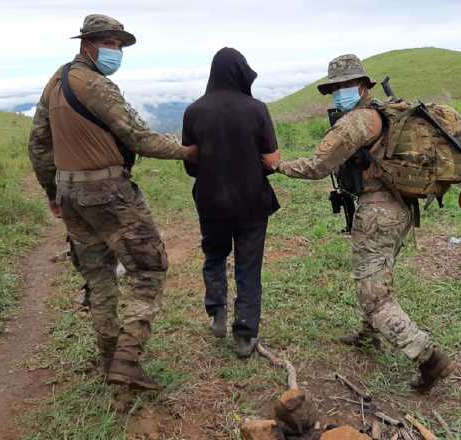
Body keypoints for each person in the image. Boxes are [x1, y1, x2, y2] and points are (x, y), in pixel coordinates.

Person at [28, 14, 198, 391]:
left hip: (71, 194)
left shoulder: (54, 83)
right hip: (108, 194)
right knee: (149, 269)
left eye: (119, 45)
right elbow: (138, 137)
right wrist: (187, 151)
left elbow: (39, 144)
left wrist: (52, 193)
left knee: (98, 277)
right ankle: (127, 358)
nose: (116, 51)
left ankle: (108, 358)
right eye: (110, 43)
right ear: (88, 44)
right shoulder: (97, 86)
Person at [268, 54, 454, 392]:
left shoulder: (355, 123)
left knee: (374, 296)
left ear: (363, 87)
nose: (339, 93)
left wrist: (278, 166)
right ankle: (369, 337)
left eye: (344, 86)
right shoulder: (382, 114)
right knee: (375, 277)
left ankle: (429, 358)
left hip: (379, 212)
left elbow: (317, 165)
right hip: (401, 208)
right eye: (334, 88)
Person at [182, 48, 281, 358]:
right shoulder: (257, 109)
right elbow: (272, 161)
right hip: (252, 203)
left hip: (211, 202)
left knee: (214, 256)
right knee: (248, 268)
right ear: (241, 73)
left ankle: (217, 312)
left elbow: (190, 162)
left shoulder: (194, 111)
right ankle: (245, 336)